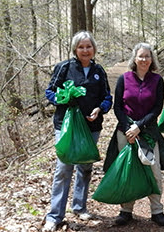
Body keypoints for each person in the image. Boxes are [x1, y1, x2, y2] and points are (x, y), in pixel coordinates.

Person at [42, 31, 113, 232]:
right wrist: (62, 99)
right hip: (66, 127)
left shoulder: (99, 71)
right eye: (81, 47)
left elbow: (107, 97)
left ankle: (79, 206)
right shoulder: (64, 68)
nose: (85, 50)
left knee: (85, 167)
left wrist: (100, 109)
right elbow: (50, 92)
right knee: (64, 169)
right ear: (75, 49)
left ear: (94, 49)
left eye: (88, 47)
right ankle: (55, 215)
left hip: (91, 127)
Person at [103, 42, 164, 227]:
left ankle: (157, 211)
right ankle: (126, 210)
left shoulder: (157, 80)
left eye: (147, 56)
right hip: (125, 132)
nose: (144, 59)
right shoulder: (124, 79)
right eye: (141, 56)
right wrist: (129, 127)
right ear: (134, 58)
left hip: (148, 132)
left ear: (152, 59)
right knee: (128, 170)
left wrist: (139, 127)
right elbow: (118, 107)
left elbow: (157, 108)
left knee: (154, 171)